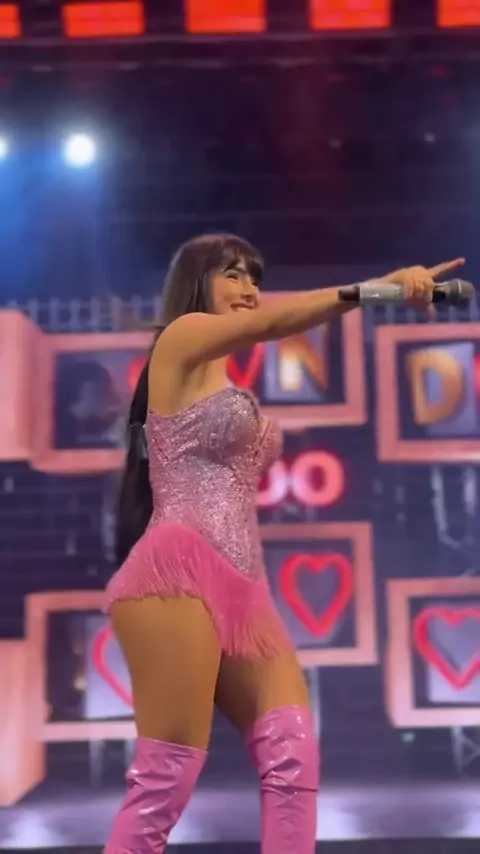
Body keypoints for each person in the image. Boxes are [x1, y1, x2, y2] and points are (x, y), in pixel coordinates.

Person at [104, 234, 464, 854]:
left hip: (245, 588)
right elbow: (276, 322)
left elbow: (272, 321)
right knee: (167, 777)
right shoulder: (182, 338)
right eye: (232, 275)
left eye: (254, 277)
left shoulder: (219, 372)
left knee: (293, 755)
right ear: (196, 284)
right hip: (176, 572)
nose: (249, 289)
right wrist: (379, 290)